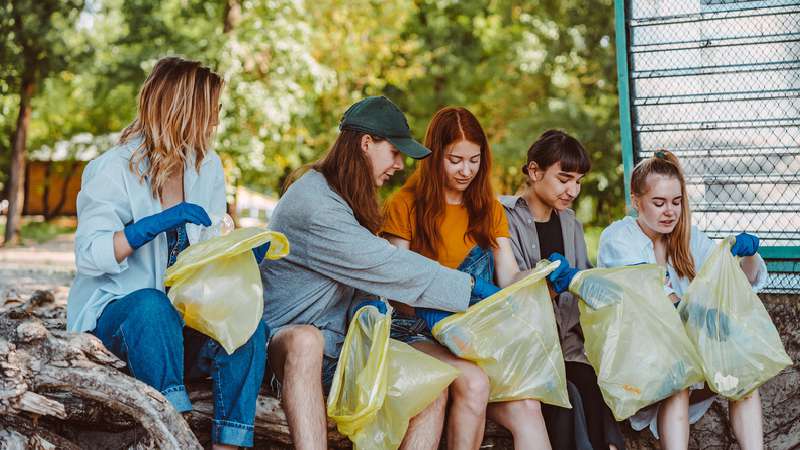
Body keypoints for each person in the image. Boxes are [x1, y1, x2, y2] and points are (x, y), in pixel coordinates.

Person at [259, 96, 495, 450]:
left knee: (429, 388)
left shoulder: (347, 197)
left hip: (338, 350)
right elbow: (383, 265)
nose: (400, 165)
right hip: (285, 352)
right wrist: (471, 286)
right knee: (305, 339)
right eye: (395, 153)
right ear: (366, 143)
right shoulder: (315, 203)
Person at [66, 57, 269, 449]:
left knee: (247, 326)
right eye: (212, 110)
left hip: (180, 326)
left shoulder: (207, 166)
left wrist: (236, 255)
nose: (217, 119)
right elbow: (89, 255)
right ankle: (173, 431)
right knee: (151, 305)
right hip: (122, 326)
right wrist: (146, 228)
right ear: (185, 111)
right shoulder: (112, 169)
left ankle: (230, 441)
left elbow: (205, 255)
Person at [381, 106, 552, 449]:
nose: (466, 170)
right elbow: (394, 288)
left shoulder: (487, 207)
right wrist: (440, 304)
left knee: (530, 406)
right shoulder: (404, 204)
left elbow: (508, 276)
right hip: (412, 329)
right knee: (473, 382)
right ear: (433, 156)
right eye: (455, 160)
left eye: (474, 160)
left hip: (475, 334)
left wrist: (540, 275)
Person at [597, 150, 767, 450]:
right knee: (679, 381)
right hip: (638, 357)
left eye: (676, 202)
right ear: (636, 201)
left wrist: (748, 253)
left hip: (686, 348)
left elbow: (740, 283)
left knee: (744, 376)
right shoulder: (618, 237)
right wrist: (705, 319)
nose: (670, 212)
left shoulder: (687, 237)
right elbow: (655, 296)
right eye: (658, 203)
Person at [499, 129, 624, 450]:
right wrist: (544, 282)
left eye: (579, 181)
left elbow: (581, 287)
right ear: (534, 171)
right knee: (569, 397)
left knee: (596, 387)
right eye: (564, 178)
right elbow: (508, 288)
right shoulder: (503, 216)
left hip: (568, 346)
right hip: (524, 345)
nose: (573, 190)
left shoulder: (571, 223)